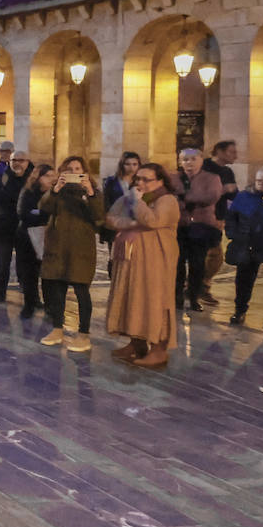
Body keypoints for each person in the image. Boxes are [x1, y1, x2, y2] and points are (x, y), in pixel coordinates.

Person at [104, 163, 179, 369]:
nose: (140, 183)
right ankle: (136, 342)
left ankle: (158, 349)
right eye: (138, 178)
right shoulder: (130, 197)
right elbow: (111, 217)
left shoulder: (167, 200)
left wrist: (137, 203)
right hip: (130, 260)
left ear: (160, 181)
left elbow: (153, 221)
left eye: (147, 179)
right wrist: (129, 224)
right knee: (131, 297)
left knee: (154, 299)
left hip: (155, 261)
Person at [38, 157, 104, 352]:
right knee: (57, 290)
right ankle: (57, 329)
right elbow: (43, 207)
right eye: (69, 169)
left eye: (78, 169)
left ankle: (84, 334)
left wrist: (90, 193)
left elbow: (99, 215)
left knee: (82, 291)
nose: (74, 172)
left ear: (85, 172)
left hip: (81, 249)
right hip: (58, 247)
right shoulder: (57, 191)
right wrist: (55, 189)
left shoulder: (93, 192)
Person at [224, 164, 263, 328]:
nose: (261, 184)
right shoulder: (244, 196)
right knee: (243, 280)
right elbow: (231, 216)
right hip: (248, 244)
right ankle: (239, 310)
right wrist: (234, 234)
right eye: (259, 180)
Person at [172, 148, 223, 312]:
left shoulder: (211, 178)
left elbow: (211, 197)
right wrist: (185, 201)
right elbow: (168, 197)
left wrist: (183, 198)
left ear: (201, 160)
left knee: (197, 264)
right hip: (179, 226)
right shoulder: (173, 178)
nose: (189, 163)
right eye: (185, 159)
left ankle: (194, 297)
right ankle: (177, 297)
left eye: (193, 159)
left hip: (201, 227)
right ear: (180, 162)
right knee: (177, 264)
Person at [0, 144, 29, 304]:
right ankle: (0, 291)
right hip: (2, 225)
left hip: (24, 225)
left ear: (27, 162)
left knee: (26, 261)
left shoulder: (32, 177)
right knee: (2, 261)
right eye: (14, 160)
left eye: (21, 160)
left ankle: (29, 293)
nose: (17, 163)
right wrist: (19, 197)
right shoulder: (0, 175)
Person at [201, 139, 240, 304]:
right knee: (210, 255)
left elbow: (233, 195)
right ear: (220, 151)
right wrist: (222, 190)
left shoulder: (227, 172)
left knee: (213, 256)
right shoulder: (204, 167)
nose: (236, 156)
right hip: (201, 218)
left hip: (218, 218)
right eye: (232, 152)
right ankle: (198, 287)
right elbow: (198, 192)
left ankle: (199, 286)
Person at [16, 165, 57, 319]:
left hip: (49, 236)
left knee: (48, 274)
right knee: (29, 273)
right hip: (28, 236)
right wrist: (43, 214)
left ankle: (50, 306)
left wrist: (40, 213)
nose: (52, 179)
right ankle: (30, 304)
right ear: (38, 177)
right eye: (47, 176)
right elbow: (23, 213)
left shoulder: (55, 193)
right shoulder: (28, 192)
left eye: (54, 175)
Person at [100, 152, 142, 263]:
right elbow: (106, 201)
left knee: (134, 257)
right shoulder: (111, 181)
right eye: (127, 164)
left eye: (134, 164)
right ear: (122, 165)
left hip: (135, 223)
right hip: (116, 222)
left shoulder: (141, 182)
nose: (131, 167)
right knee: (114, 257)